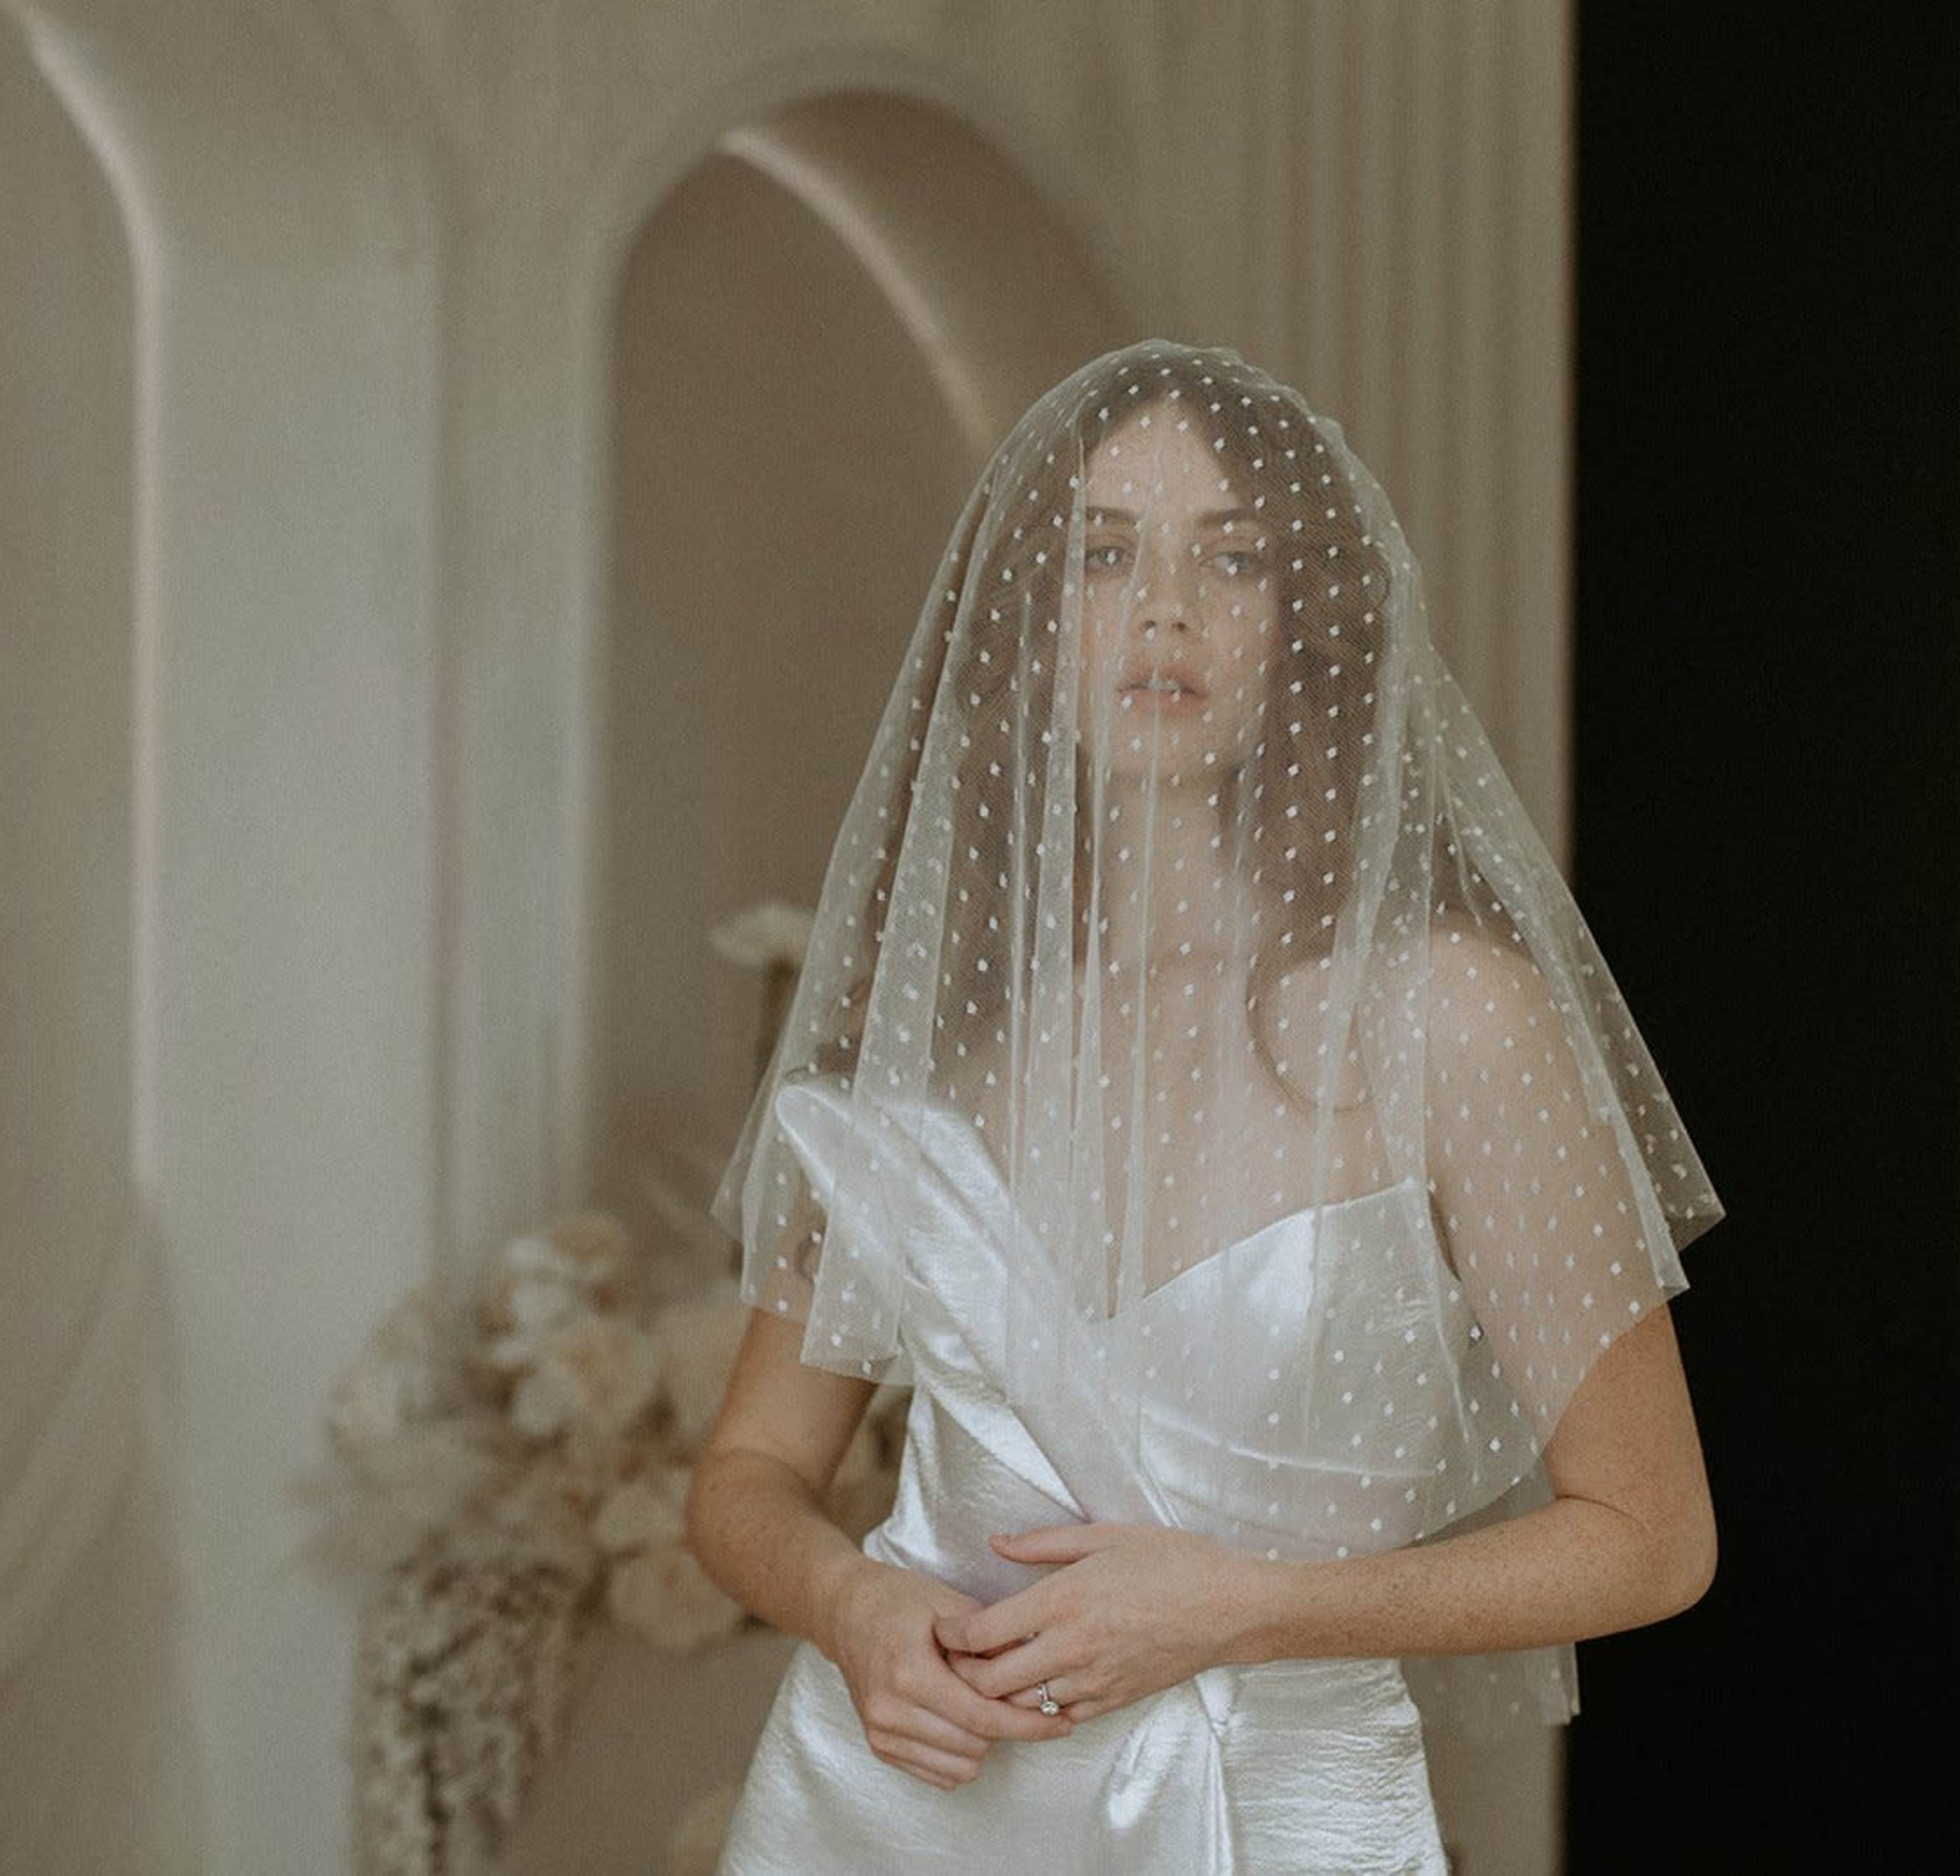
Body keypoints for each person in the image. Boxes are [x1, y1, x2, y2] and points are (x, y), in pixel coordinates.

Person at [689, 338, 1726, 1872]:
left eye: (1233, 559)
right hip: (910, 1804)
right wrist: (851, 1604)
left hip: (1274, 1817)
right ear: (1028, 625)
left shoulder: (1448, 1019)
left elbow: (1653, 1537)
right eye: (1105, 555)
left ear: (1307, 625)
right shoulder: (943, 1048)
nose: (1165, 608)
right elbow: (746, 1475)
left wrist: (1250, 1610)